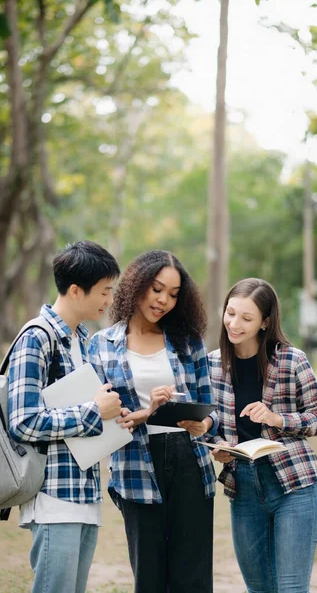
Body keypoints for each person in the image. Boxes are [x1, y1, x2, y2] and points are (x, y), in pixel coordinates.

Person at [88, 250, 216, 593]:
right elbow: (97, 417)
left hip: (190, 461)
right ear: (137, 285)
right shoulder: (101, 346)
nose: (164, 301)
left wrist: (205, 424)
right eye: (157, 289)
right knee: (149, 576)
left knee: (193, 575)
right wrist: (147, 413)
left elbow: (210, 406)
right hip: (134, 465)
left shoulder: (188, 343)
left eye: (174, 295)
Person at [8, 240, 130, 593]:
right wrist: (94, 412)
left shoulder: (81, 340)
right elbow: (24, 421)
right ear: (76, 291)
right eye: (105, 291)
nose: (109, 300)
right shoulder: (37, 338)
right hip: (52, 499)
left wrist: (111, 416)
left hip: (84, 496)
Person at [208, 278, 317, 593]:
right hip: (243, 489)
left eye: (246, 318)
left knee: (291, 588)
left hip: (294, 486)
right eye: (231, 313)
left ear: (265, 322)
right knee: (259, 588)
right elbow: (212, 424)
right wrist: (219, 448)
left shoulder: (292, 360)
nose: (234, 324)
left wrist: (278, 418)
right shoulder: (212, 366)